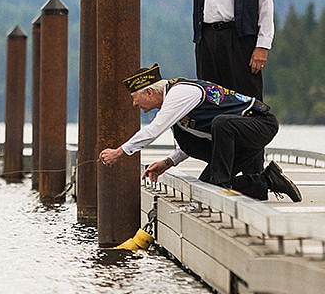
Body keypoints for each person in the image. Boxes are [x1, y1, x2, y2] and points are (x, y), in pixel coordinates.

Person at [99, 64, 301, 202]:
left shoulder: (179, 93)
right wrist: (167, 163)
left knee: (222, 124)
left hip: (260, 124)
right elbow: (189, 145)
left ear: (150, 92)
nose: (134, 104)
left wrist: (119, 152)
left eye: (135, 98)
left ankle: (222, 179)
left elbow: (153, 130)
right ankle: (267, 180)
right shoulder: (174, 108)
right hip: (237, 139)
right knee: (206, 187)